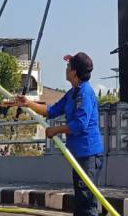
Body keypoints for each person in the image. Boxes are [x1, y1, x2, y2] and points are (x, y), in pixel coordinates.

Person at [13, 53, 103, 216]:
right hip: (78, 154)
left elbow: (80, 124)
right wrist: (28, 103)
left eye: (68, 66)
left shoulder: (85, 93)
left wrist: (56, 130)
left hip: (88, 155)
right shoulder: (72, 93)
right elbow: (52, 111)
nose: (66, 69)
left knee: (86, 201)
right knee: (81, 200)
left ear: (74, 72)